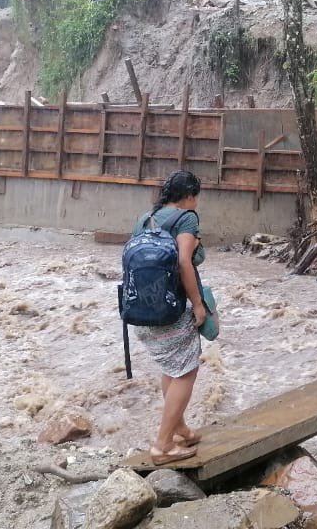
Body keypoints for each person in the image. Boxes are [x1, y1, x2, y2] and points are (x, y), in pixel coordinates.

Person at [131, 170, 208, 465]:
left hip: (142, 309)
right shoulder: (186, 218)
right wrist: (198, 305)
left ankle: (180, 431)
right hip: (171, 310)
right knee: (186, 372)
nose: (197, 201)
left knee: (171, 367)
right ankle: (163, 445)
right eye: (196, 196)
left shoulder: (146, 218)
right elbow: (183, 262)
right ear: (189, 195)